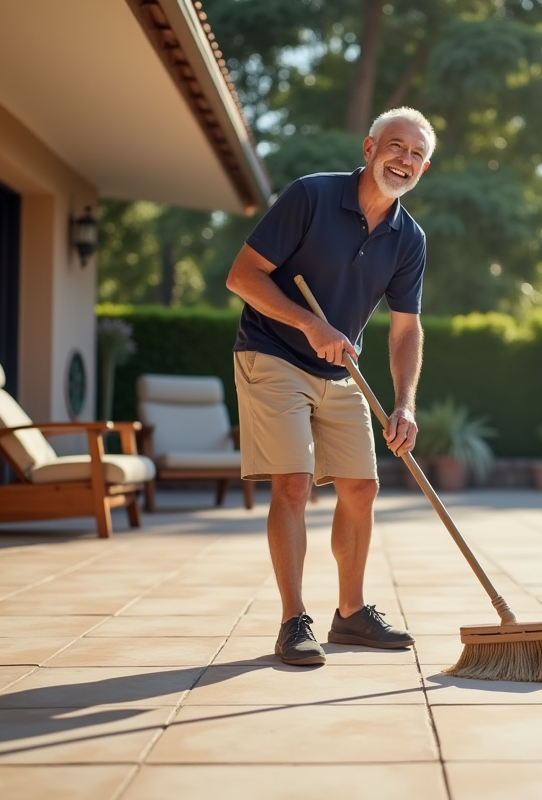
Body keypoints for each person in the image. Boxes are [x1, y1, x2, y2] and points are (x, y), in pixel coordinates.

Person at [225, 108, 434, 666]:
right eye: (395, 146)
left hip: (339, 370)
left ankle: (350, 614)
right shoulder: (312, 196)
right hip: (272, 353)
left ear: (424, 166)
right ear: (369, 148)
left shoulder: (407, 239)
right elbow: (242, 276)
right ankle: (294, 620)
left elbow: (406, 329)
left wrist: (405, 404)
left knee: (362, 489)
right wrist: (309, 322)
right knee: (294, 482)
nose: (404, 159)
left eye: (415, 154)